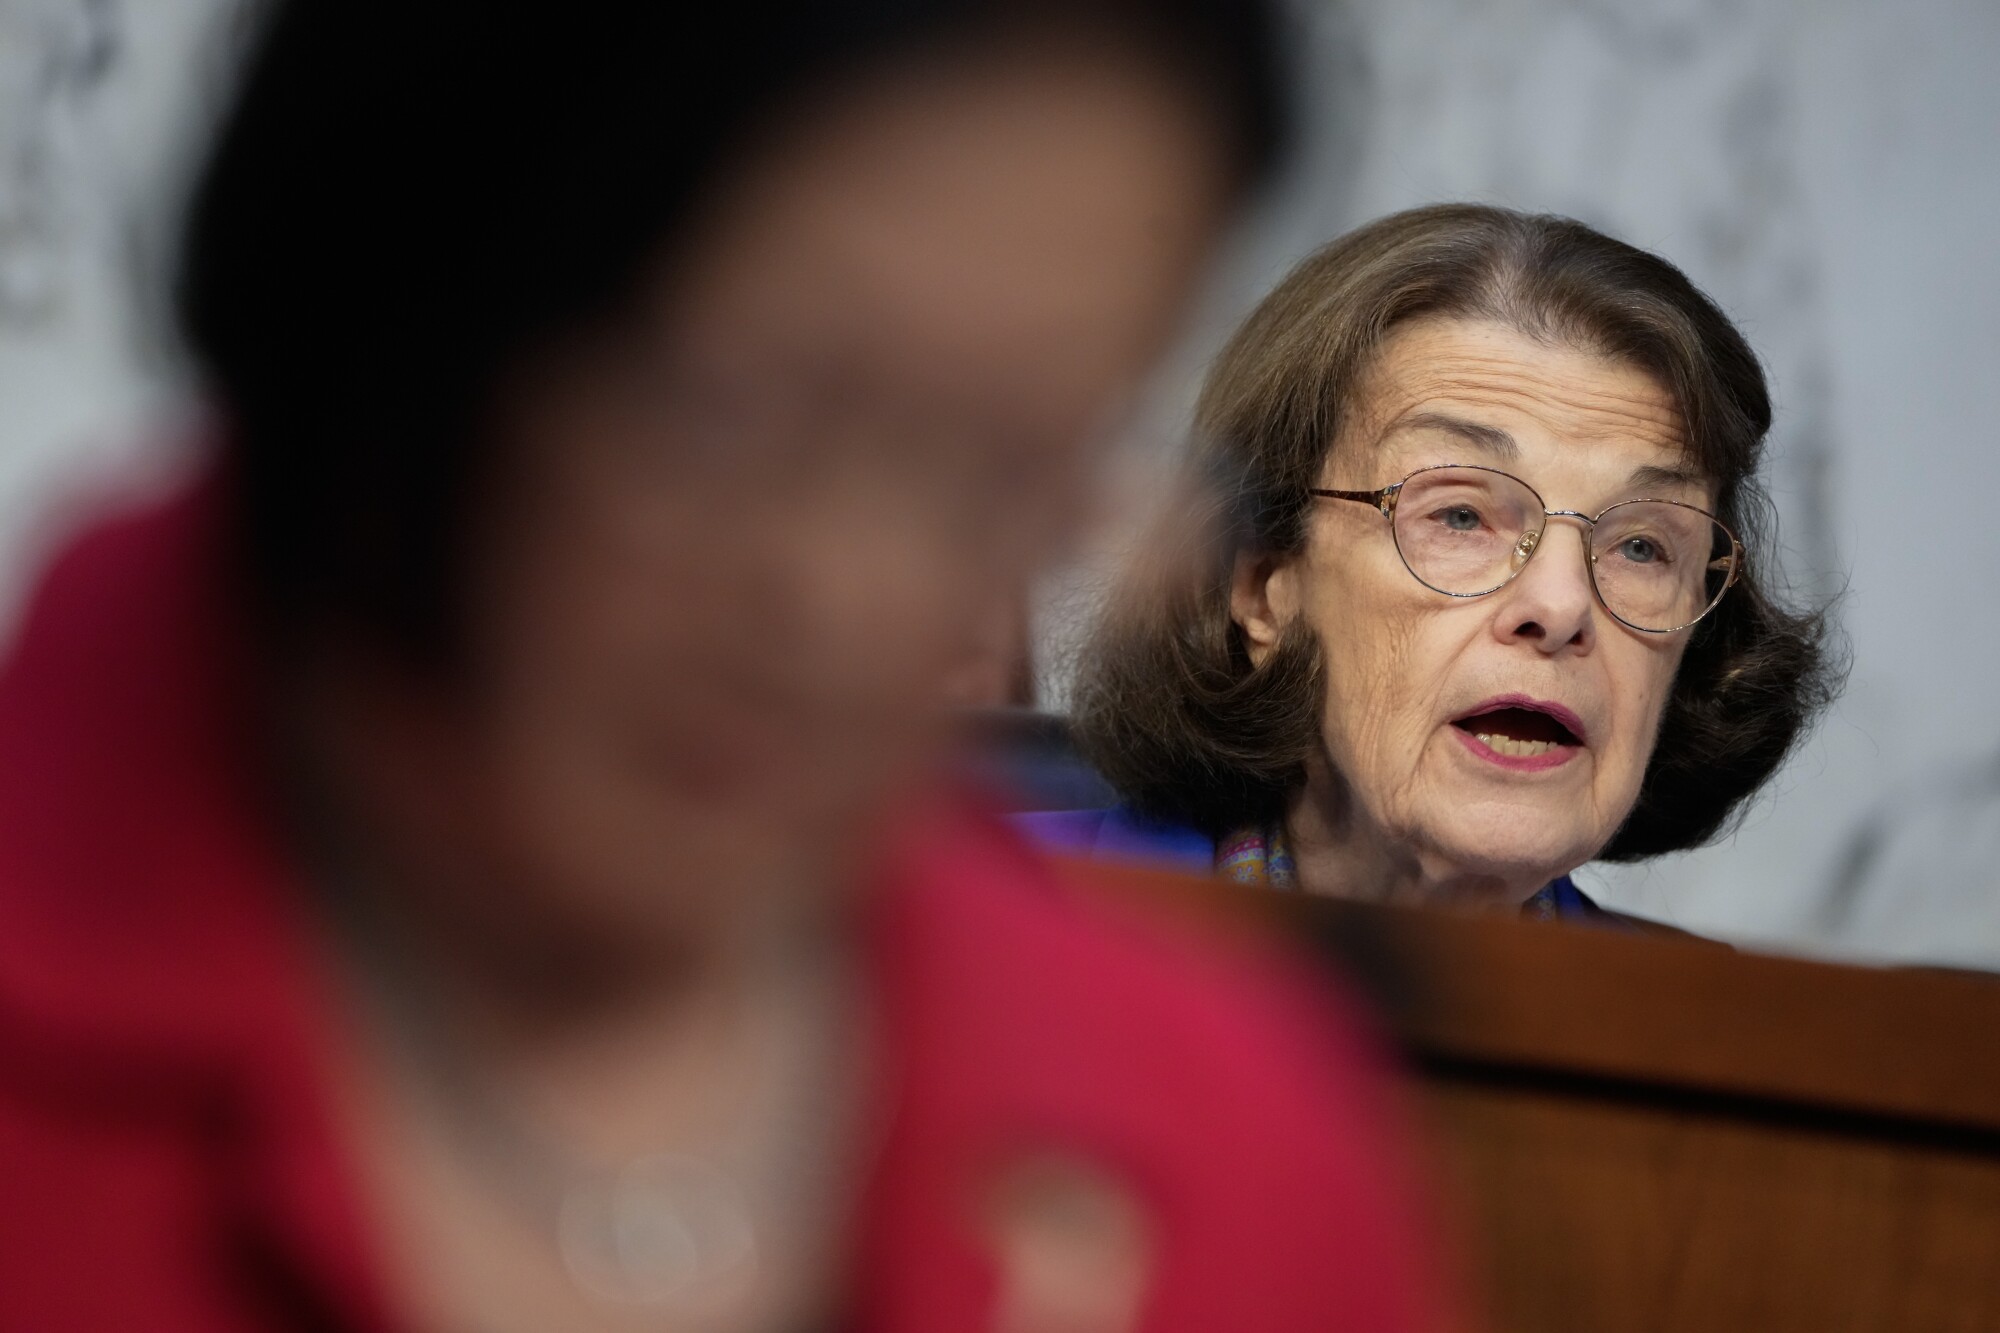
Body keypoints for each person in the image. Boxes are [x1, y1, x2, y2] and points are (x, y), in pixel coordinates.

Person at [0, 3, 1462, 1331]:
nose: (843, 599)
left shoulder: (1228, 1153)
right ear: (395, 287)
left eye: (1009, 468)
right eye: (728, 411)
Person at [1031, 204, 1837, 922]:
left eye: (1641, 546)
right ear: (1263, 585)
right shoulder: (951, 935)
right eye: (1460, 514)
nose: (1560, 607)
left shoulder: (1733, 1062)